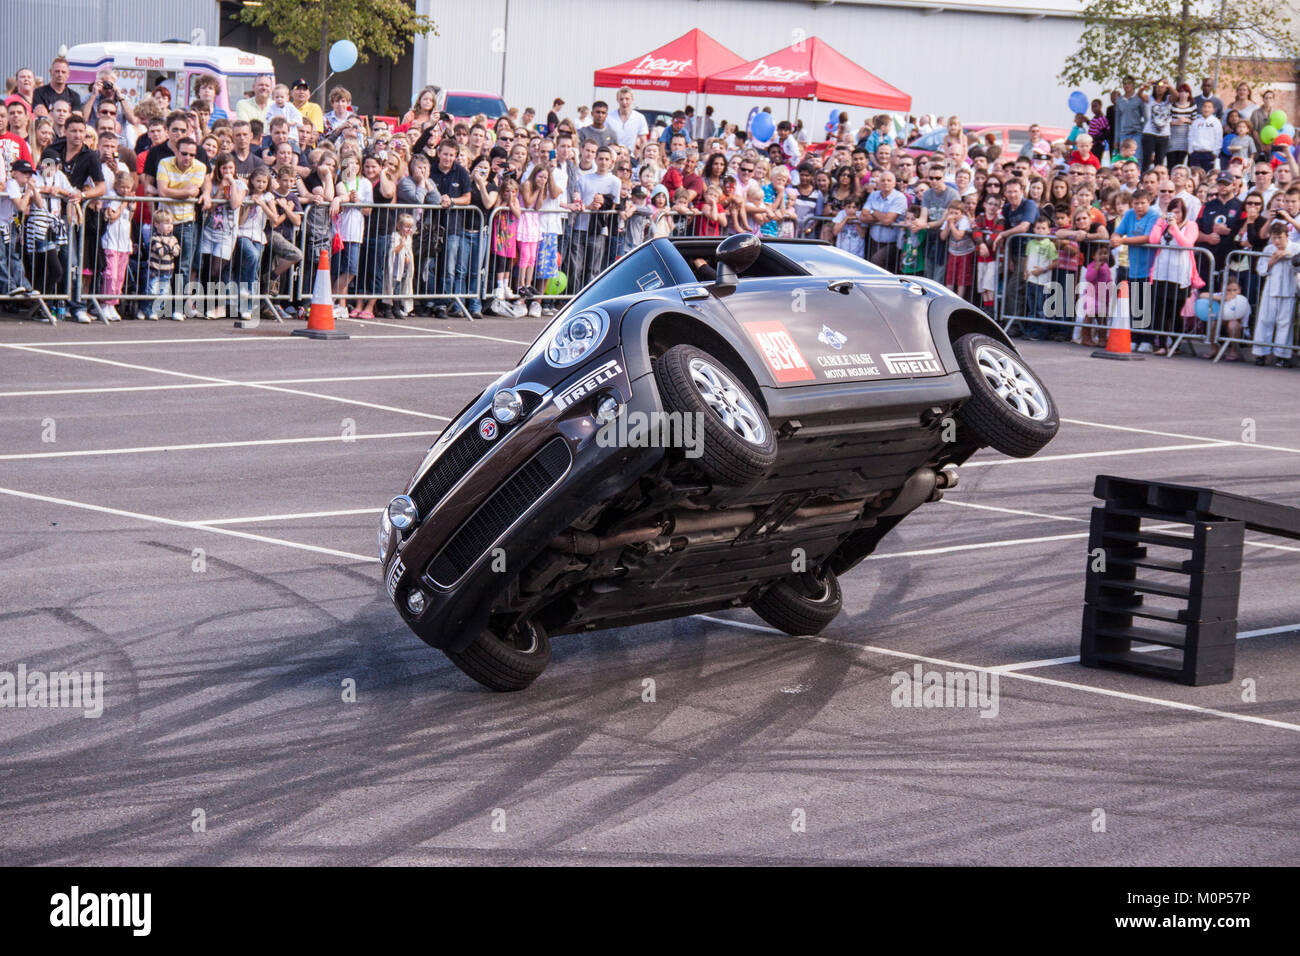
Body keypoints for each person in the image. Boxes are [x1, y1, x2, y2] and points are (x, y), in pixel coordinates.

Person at [1146, 196, 1199, 355]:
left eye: (1177, 212)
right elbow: (1154, 240)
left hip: (1179, 274)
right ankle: (1161, 344)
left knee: (1175, 310)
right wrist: (1159, 223)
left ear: (1183, 212)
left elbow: (1186, 243)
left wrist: (1175, 227)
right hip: (1161, 272)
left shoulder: (1191, 225)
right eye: (1172, 211)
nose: (1174, 215)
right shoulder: (1163, 224)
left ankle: (1176, 343)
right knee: (1160, 309)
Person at [1252, 220, 1299, 366]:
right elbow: (1260, 270)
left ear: (1287, 236)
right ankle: (1261, 354)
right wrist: (1272, 261)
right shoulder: (1268, 250)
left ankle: (1282, 355)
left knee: (1285, 323)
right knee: (1265, 321)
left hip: (1289, 290)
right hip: (1270, 290)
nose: (1277, 241)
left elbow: (1298, 269)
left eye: (1280, 237)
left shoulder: (1296, 248)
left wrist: (1290, 260)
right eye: (1274, 238)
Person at [1023, 216, 1058, 340]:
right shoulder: (1031, 243)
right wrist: (1025, 270)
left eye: (1043, 228)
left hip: (1043, 281)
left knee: (1040, 307)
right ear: (1034, 229)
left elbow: (1055, 262)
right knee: (1031, 306)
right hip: (1031, 279)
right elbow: (1027, 257)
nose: (1040, 231)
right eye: (1038, 228)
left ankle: (1041, 332)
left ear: (1049, 230)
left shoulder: (1050, 244)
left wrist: (1042, 269)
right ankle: (1031, 330)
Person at [146, 206, 182, 319]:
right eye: (166, 223)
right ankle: (147, 310)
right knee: (152, 291)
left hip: (167, 272)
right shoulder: (155, 238)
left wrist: (171, 247)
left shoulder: (174, 239)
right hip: (155, 271)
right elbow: (161, 252)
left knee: (164, 293)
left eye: (171, 223)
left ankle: (156, 310)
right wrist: (169, 246)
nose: (170, 226)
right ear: (157, 224)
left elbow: (176, 252)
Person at [941, 199, 974, 301]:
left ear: (962, 213)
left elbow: (959, 236)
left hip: (965, 253)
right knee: (950, 277)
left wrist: (951, 225)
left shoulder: (964, 220)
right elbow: (942, 236)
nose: (953, 215)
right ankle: (948, 299)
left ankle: (960, 300)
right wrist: (947, 224)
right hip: (953, 252)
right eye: (951, 213)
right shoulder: (948, 220)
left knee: (962, 278)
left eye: (956, 213)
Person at [1187, 99, 1223, 173]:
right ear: (1201, 109)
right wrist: (1190, 151)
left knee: (1207, 174)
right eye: (1205, 107)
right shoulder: (1196, 122)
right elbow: (1191, 136)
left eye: (1209, 107)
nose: (1206, 109)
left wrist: (1216, 152)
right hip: (1196, 153)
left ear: (1213, 110)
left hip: (1209, 153)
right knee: (1195, 174)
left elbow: (1218, 138)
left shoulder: (1216, 122)